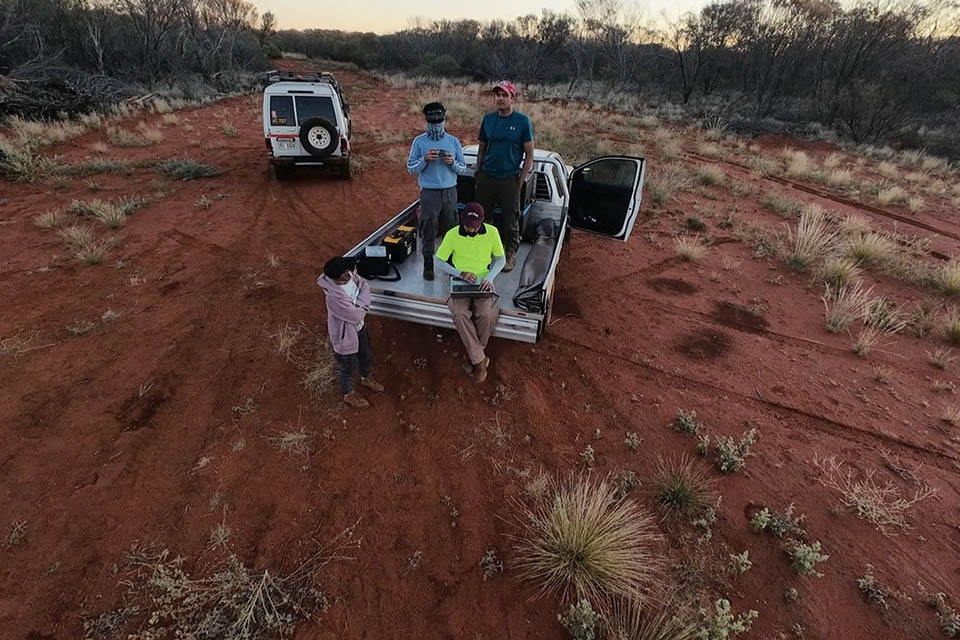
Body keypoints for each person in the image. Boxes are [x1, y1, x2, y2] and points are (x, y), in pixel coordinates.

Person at [433, 202, 505, 383]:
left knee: (487, 315)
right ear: (461, 221)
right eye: (466, 226)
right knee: (459, 313)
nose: (470, 230)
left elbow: (501, 259)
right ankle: (480, 361)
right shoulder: (452, 234)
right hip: (459, 281)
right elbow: (439, 261)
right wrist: (460, 273)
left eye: (474, 227)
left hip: (484, 280)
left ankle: (475, 357)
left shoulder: (492, 232)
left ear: (482, 222)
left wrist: (490, 277)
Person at [475, 80, 535, 273]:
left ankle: (510, 254)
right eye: (497, 95)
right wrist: (479, 171)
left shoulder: (522, 121)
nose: (500, 99)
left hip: (509, 179)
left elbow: (529, 155)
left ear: (512, 97)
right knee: (484, 218)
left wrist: (520, 180)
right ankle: (484, 252)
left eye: (504, 95)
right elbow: (482, 148)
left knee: (511, 220)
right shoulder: (488, 120)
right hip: (487, 177)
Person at [407, 101, 468, 281]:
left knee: (451, 229)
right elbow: (411, 169)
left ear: (444, 119)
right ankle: (428, 263)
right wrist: (424, 160)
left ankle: (450, 264)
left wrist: (452, 163)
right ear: (426, 120)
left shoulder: (453, 141)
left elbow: (464, 169)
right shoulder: (419, 142)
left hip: (450, 191)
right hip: (429, 193)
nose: (436, 125)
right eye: (432, 121)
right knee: (427, 228)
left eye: (439, 120)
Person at [316, 256, 384, 408]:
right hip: (345, 337)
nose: (354, 272)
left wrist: (360, 305)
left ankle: (366, 378)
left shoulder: (352, 277)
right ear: (342, 276)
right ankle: (349, 394)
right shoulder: (333, 297)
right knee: (348, 367)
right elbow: (355, 315)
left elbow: (365, 286)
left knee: (366, 357)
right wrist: (364, 305)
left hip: (360, 329)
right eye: (349, 271)